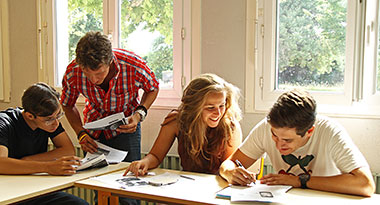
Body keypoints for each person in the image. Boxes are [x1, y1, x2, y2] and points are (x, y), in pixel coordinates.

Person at [60, 31, 159, 204]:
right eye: (87, 73)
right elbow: (67, 104)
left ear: (110, 61)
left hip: (127, 127)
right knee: (99, 188)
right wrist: (80, 133)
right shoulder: (72, 72)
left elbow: (153, 87)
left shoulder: (132, 64)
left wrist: (139, 114)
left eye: (99, 73)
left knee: (129, 190)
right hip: (93, 131)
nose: (93, 79)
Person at [219, 89, 375, 197]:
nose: (279, 146)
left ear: (309, 131)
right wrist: (230, 173)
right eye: (274, 136)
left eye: (287, 140)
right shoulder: (266, 127)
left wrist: (299, 181)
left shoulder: (330, 131)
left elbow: (365, 184)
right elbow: (229, 163)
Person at [124, 73, 242, 176]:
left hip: (217, 186)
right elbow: (155, 156)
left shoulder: (230, 126)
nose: (218, 113)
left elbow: (228, 166)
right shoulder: (177, 121)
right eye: (210, 107)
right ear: (194, 108)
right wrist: (143, 162)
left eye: (221, 105)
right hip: (186, 185)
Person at [0, 83, 88, 205]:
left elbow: (68, 150)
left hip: (35, 188)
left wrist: (28, 160)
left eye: (58, 115)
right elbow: (1, 163)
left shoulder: (49, 120)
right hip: (8, 192)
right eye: (49, 119)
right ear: (30, 116)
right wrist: (47, 167)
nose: (56, 123)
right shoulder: (4, 123)